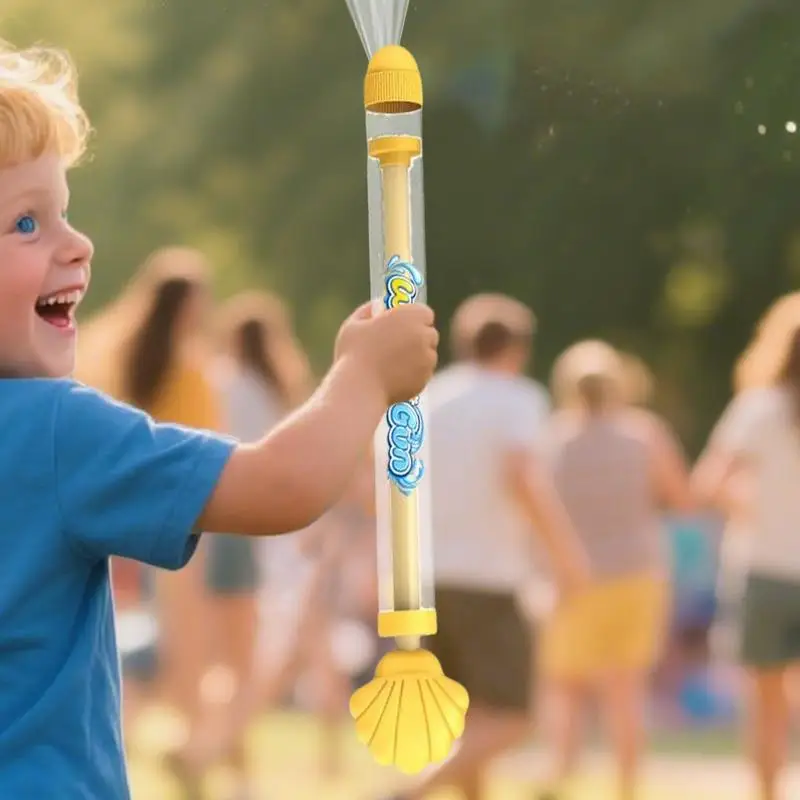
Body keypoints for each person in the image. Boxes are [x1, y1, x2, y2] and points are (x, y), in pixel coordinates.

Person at [0, 40, 438, 799]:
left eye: (64, 212)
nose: (79, 244)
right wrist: (365, 376)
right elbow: (282, 486)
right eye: (27, 223)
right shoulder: (53, 430)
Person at [384, 294, 590, 800]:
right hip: (487, 578)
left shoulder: (429, 399)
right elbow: (522, 475)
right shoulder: (516, 398)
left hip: (423, 575)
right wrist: (566, 557)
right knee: (515, 716)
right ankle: (406, 794)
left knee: (466, 715)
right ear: (517, 349)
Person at [79, 247, 223, 750]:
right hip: (188, 510)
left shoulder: (115, 352)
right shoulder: (189, 367)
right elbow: (211, 442)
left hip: (129, 511)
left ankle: (152, 725)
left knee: (143, 625)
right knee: (187, 631)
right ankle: (191, 734)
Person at [535, 340, 692, 800]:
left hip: (572, 578)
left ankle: (560, 777)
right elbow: (681, 498)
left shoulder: (552, 439)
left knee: (566, 687)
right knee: (626, 687)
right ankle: (626, 787)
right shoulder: (645, 434)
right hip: (637, 574)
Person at [692, 293, 800, 800]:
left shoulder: (758, 409)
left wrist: (753, 506)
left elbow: (708, 485)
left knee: (766, 704)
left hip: (763, 570)